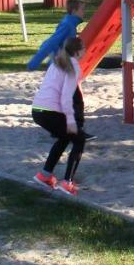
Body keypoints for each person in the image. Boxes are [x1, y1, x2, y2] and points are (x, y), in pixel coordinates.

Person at [30, 36, 89, 195]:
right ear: (77, 52)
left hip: (37, 110)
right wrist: (71, 120)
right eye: (84, 48)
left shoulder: (57, 62)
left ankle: (44, 175)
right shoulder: (74, 66)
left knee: (65, 137)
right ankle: (67, 183)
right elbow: (65, 97)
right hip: (50, 112)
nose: (86, 50)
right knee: (79, 139)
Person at [27, 0, 86, 71]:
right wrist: (34, 63)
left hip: (62, 60)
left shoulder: (70, 23)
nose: (84, 12)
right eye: (82, 9)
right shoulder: (67, 25)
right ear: (74, 11)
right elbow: (51, 43)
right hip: (60, 61)